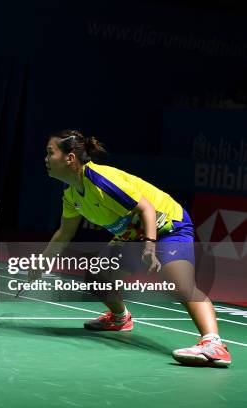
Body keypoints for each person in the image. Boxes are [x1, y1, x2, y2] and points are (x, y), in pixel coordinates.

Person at [36, 129, 231, 367]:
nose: (46, 159)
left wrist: (149, 246)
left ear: (69, 158)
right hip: (133, 234)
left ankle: (214, 344)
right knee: (97, 277)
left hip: (167, 225)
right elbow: (64, 233)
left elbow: (147, 209)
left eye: (50, 153)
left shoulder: (102, 181)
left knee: (180, 284)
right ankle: (120, 318)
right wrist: (41, 263)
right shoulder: (71, 195)